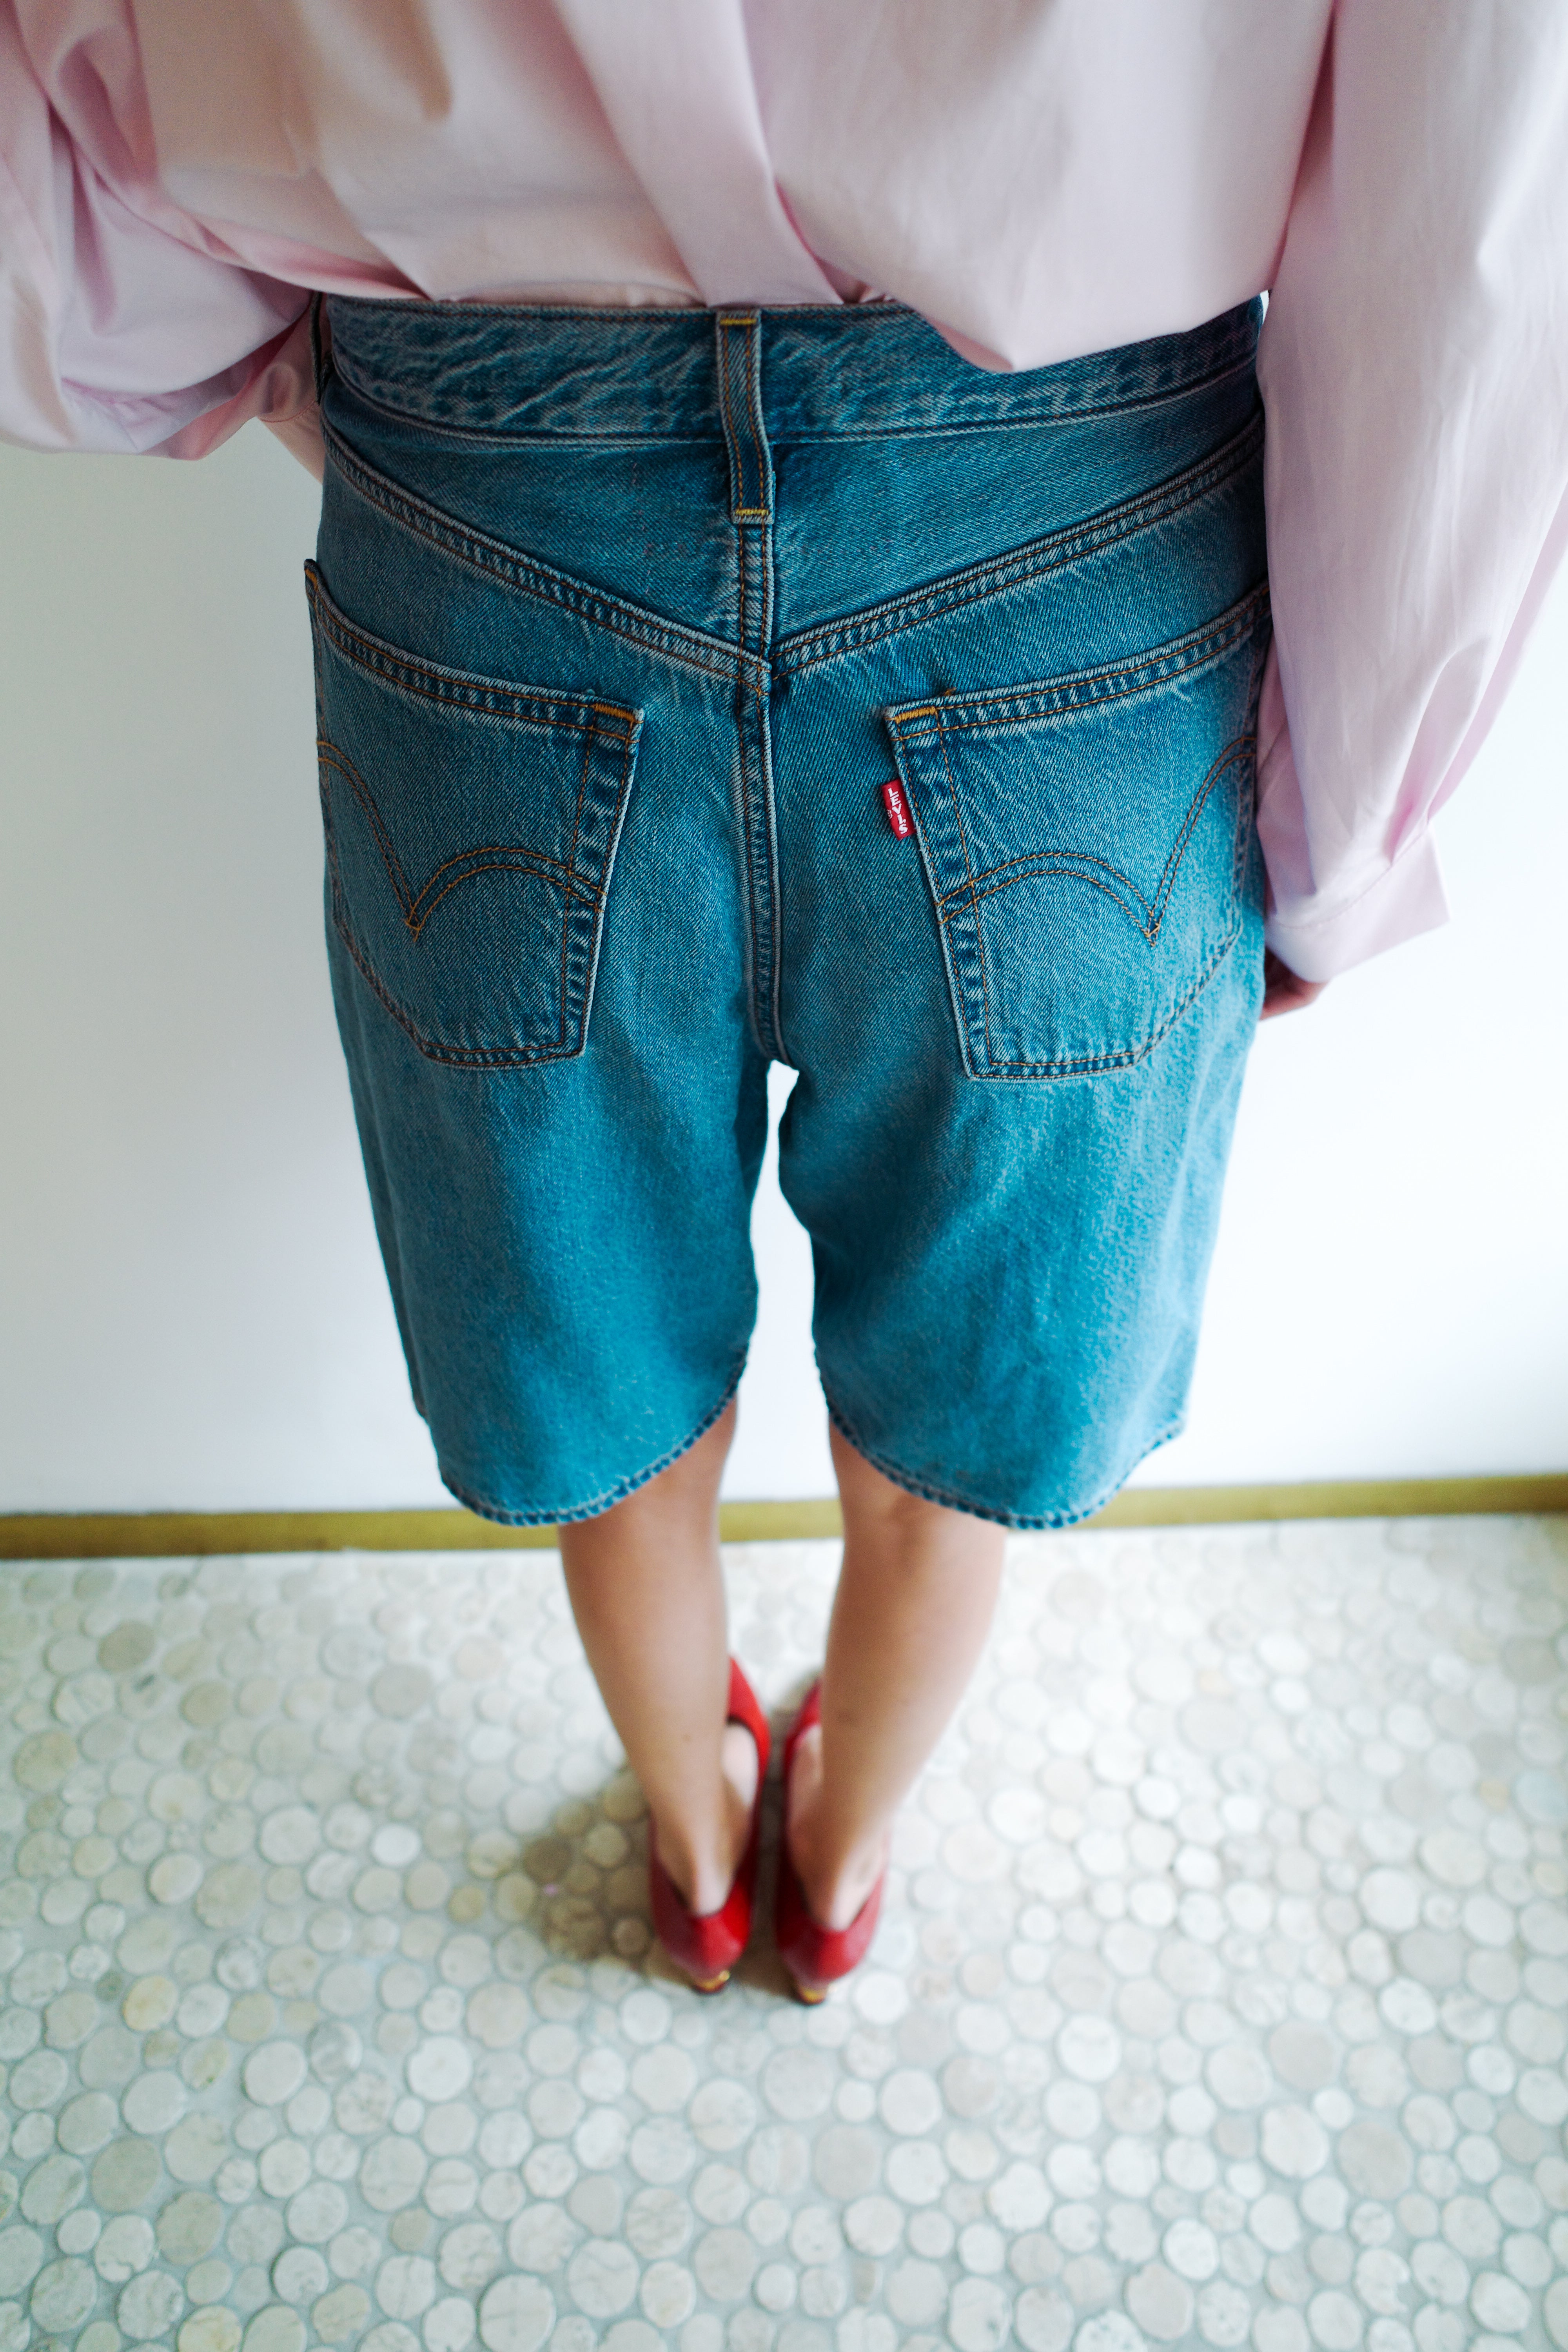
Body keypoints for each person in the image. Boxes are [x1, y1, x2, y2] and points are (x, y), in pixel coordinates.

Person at [4, 4, 1565, 2000]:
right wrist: (1346, 820)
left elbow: (74, 178)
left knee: (604, 1368)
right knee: (952, 1419)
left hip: (485, 504)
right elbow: (1478, 213)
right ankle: (834, 1867)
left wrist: (410, 379)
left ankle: (695, 1839)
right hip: (1072, 547)